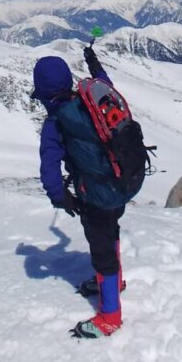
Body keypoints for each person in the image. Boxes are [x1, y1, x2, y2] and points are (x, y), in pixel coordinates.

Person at [32, 45, 126, 339]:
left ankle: (110, 316)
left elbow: (49, 169)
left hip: (94, 195)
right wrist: (93, 61)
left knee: (101, 249)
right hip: (120, 184)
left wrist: (62, 198)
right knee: (112, 230)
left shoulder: (56, 122)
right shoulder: (94, 100)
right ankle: (116, 281)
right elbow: (105, 80)